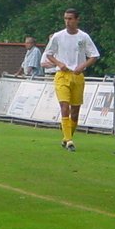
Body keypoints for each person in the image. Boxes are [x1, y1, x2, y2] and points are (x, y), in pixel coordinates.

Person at [45, 8, 100, 152]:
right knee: (65, 107)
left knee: (75, 111)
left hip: (77, 76)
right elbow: (49, 54)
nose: (67, 22)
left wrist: (83, 65)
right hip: (62, 75)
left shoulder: (84, 37)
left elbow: (94, 55)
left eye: (70, 19)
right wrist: (59, 63)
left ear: (77, 20)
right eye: (65, 19)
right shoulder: (57, 36)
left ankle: (67, 137)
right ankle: (69, 141)